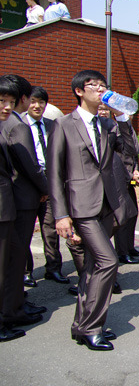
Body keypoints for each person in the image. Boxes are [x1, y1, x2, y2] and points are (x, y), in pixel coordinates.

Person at [47, 70, 136, 351]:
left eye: (103, 85)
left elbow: (128, 153)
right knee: (108, 262)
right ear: (79, 91)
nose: (100, 90)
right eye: (93, 85)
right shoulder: (63, 124)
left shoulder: (107, 124)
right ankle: (91, 328)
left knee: (92, 267)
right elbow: (54, 173)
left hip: (107, 204)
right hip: (81, 207)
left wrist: (123, 118)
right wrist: (61, 215)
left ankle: (81, 325)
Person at [0, 75, 48, 321]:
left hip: (12, 197)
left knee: (14, 256)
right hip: (21, 198)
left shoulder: (7, 122)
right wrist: (46, 189)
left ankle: (17, 302)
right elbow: (30, 165)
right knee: (16, 257)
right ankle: (13, 307)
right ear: (25, 98)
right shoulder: (16, 124)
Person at [23, 86, 69, 284]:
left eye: (41, 102)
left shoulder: (53, 125)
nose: (37, 106)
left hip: (50, 183)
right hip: (28, 184)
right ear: (26, 102)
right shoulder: (19, 125)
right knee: (25, 231)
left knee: (50, 230)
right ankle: (26, 271)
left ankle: (53, 268)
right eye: (33, 101)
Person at [96, 104, 139, 265]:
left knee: (132, 214)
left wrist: (135, 170)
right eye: (100, 109)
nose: (103, 112)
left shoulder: (118, 128)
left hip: (128, 178)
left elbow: (132, 152)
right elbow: (117, 159)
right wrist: (130, 175)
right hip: (116, 180)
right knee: (121, 216)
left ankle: (129, 247)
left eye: (105, 109)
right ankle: (122, 252)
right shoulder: (106, 131)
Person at [0, 78, 29, 342]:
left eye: (11, 102)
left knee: (14, 257)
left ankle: (10, 313)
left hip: (6, 206)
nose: (7, 107)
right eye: (2, 101)